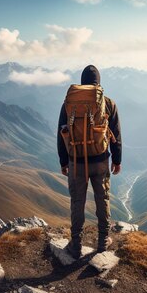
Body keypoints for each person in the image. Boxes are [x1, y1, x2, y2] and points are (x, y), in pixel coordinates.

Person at [57, 65, 122, 257]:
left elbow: (61, 134)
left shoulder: (68, 104)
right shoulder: (108, 103)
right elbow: (116, 135)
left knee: (77, 201)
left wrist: (64, 161)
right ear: (98, 83)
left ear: (82, 83)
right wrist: (117, 159)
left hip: (76, 160)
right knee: (102, 199)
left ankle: (76, 244)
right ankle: (103, 241)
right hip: (100, 161)